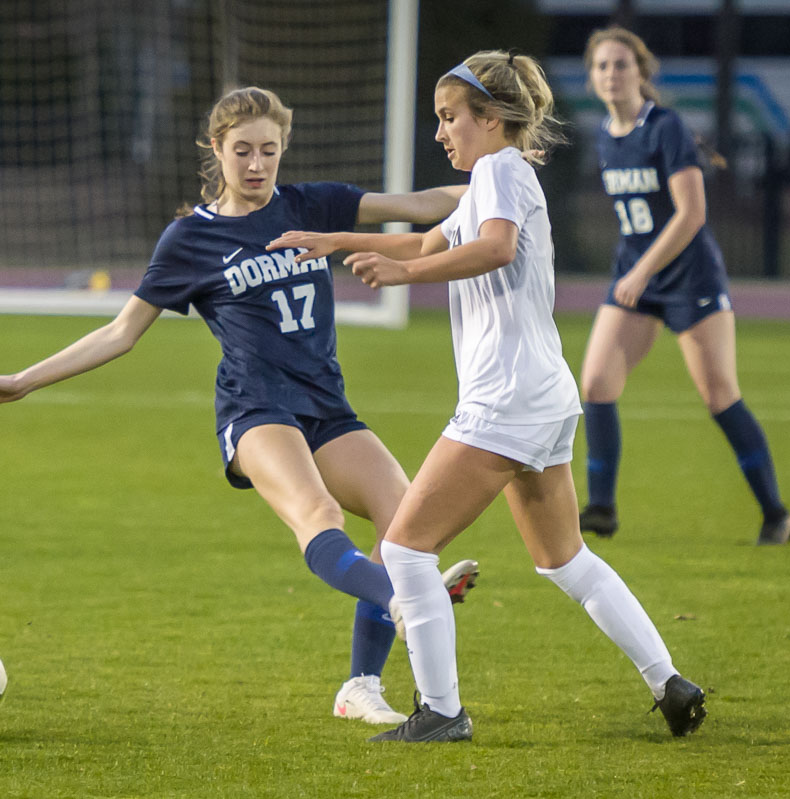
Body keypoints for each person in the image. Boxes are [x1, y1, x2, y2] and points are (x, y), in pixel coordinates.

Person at [0, 86, 480, 726]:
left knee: (402, 521)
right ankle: (404, 603)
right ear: (216, 150)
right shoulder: (189, 238)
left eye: (269, 150)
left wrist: (506, 175)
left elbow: (427, 203)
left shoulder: (311, 203)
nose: (257, 164)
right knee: (318, 514)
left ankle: (360, 687)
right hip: (255, 409)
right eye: (243, 151)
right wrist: (23, 379)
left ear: (283, 148)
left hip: (326, 406)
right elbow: (120, 333)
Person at [270, 50, 705, 742]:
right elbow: (424, 242)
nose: (441, 132)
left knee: (408, 549)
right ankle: (671, 682)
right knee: (565, 559)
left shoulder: (501, 170)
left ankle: (441, 710)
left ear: (493, 119)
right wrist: (334, 241)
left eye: (450, 118)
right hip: (541, 393)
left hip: (504, 398)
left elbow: (496, 249)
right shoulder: (492, 180)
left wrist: (401, 278)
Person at [576, 26, 790, 546]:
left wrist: (642, 271)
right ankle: (601, 509)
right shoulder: (606, 134)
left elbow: (692, 214)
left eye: (621, 64)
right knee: (596, 385)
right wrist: (636, 273)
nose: (612, 74)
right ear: (592, 78)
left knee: (719, 396)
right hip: (637, 277)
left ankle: (776, 514)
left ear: (641, 72)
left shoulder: (666, 127)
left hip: (688, 279)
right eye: (602, 66)